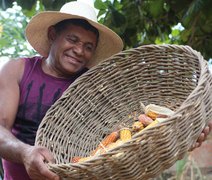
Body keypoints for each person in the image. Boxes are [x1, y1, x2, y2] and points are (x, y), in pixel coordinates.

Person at [0, 1, 211, 180]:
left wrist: (179, 137)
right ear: (53, 34)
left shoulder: (94, 87)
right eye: (72, 39)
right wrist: (25, 152)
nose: (79, 50)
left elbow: (121, 142)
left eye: (88, 46)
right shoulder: (19, 70)